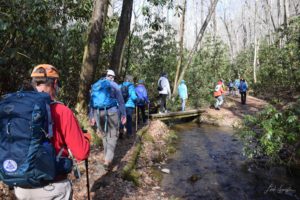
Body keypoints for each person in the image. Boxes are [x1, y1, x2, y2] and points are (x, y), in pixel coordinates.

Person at [14, 64, 90, 200]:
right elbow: (81, 153)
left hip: (21, 187)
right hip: (53, 188)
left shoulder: (18, 109)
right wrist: (86, 138)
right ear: (55, 83)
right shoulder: (62, 111)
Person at [89, 69, 126, 170]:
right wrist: (123, 114)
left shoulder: (96, 85)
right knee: (112, 135)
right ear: (112, 77)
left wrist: (91, 116)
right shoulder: (114, 85)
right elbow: (121, 101)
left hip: (97, 112)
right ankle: (107, 160)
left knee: (105, 135)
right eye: (113, 77)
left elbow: (91, 102)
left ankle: (106, 157)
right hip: (111, 111)